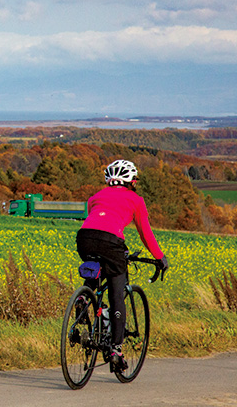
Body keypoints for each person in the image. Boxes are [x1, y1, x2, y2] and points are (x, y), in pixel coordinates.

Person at [76, 159, 169, 372]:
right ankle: (116, 351)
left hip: (84, 238)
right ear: (131, 182)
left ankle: (84, 297)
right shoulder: (136, 199)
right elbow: (145, 232)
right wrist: (159, 257)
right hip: (111, 242)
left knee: (95, 265)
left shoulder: (95, 197)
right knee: (117, 295)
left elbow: (97, 222)